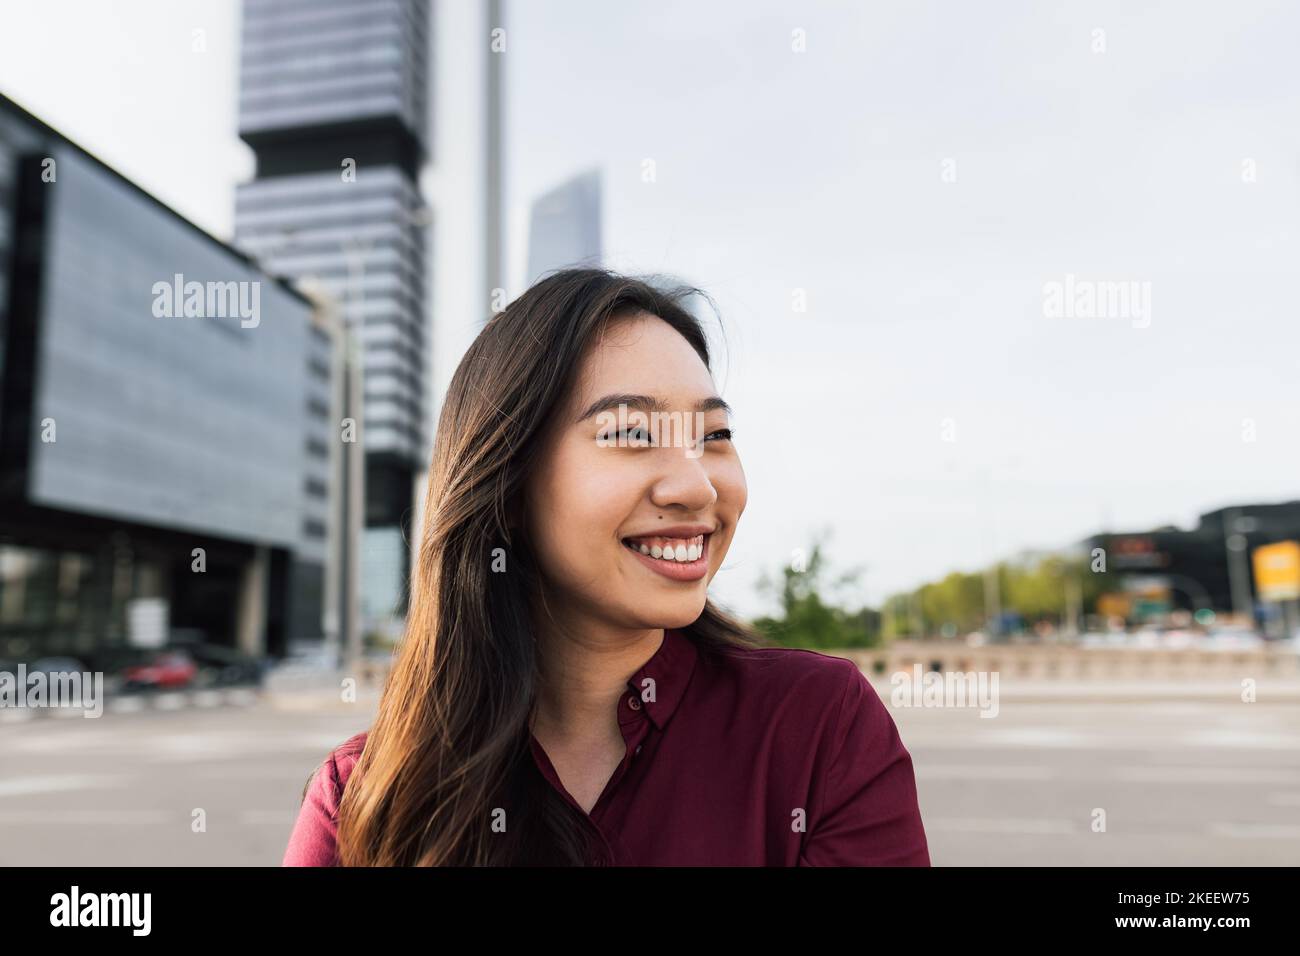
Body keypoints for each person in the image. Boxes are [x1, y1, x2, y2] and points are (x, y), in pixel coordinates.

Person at [283, 269, 930, 866]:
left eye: (714, 436)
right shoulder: (364, 798)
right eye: (632, 434)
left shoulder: (817, 728)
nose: (697, 486)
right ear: (506, 485)